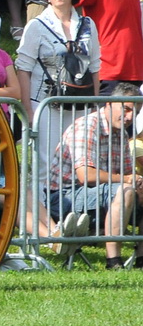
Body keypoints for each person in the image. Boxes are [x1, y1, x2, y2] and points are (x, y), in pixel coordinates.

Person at [15, 0, 98, 178]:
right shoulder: (36, 25)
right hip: (45, 102)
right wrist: (28, 109)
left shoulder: (88, 24)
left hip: (81, 102)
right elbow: (23, 67)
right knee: (46, 164)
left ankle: (73, 207)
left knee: (79, 162)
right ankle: (43, 208)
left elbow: (95, 67)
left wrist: (94, 105)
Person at [46, 83, 140, 268]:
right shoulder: (87, 125)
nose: (130, 117)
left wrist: (136, 183)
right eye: (126, 109)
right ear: (109, 103)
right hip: (65, 197)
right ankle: (113, 262)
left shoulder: (120, 131)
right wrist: (128, 180)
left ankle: (141, 260)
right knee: (126, 190)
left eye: (135, 112)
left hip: (101, 193)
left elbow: (128, 173)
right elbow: (86, 175)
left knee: (134, 190)